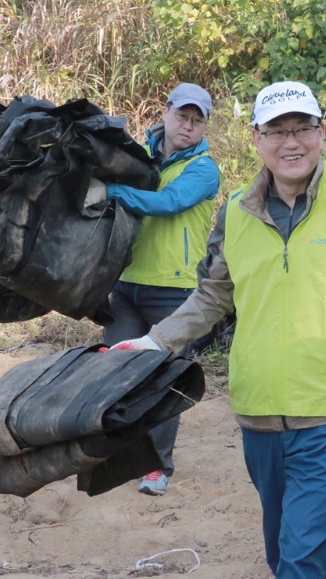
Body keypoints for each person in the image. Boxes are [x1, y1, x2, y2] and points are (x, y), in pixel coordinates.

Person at [111, 80, 326, 578]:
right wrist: (155, 341)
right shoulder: (234, 211)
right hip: (256, 410)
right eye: (277, 131)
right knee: (281, 549)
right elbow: (212, 295)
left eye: (302, 128)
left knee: (300, 558)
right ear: (256, 138)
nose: (291, 142)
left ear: (322, 133)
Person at [85, 82, 222, 496]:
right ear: (165, 113)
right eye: (182, 116)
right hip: (126, 286)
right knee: (116, 373)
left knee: (162, 381)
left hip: (176, 293)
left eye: (197, 120)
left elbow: (167, 203)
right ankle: (115, 456)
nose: (188, 125)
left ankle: (158, 467)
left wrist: (108, 191)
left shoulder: (203, 169)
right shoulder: (138, 158)